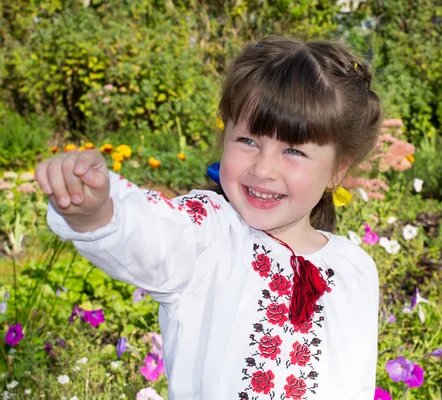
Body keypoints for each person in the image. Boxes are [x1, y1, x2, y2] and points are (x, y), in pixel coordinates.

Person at [36, 36, 383, 399]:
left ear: (337, 171)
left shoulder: (354, 269)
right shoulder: (210, 233)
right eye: (248, 141)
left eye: (293, 150)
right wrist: (97, 211)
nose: (263, 169)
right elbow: (152, 237)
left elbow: (356, 384)